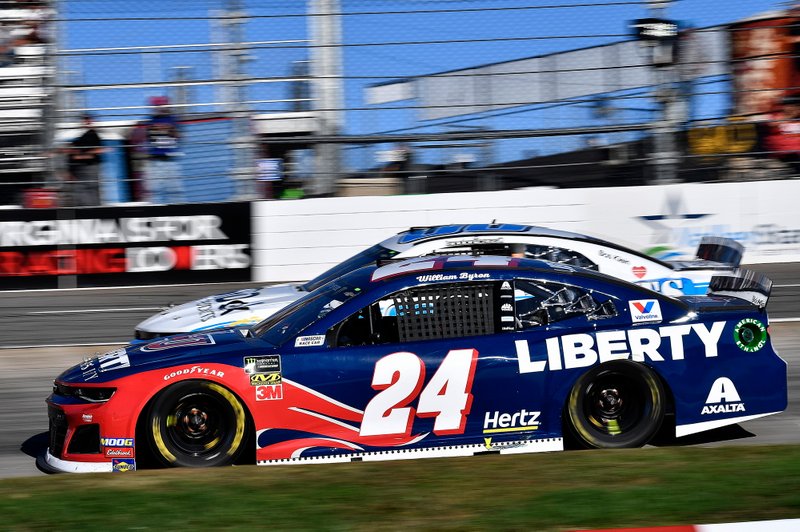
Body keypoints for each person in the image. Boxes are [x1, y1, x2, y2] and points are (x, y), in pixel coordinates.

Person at [144, 96, 183, 203]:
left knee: (174, 190)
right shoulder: (151, 120)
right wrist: (164, 130)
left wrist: (167, 130)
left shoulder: (172, 119)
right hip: (155, 159)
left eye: (160, 105)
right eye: (156, 106)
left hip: (170, 159)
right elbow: (150, 137)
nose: (157, 108)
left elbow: (178, 136)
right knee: (155, 191)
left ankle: (178, 211)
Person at [65, 114, 104, 206]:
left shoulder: (92, 134)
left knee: (88, 189)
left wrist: (78, 155)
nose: (86, 122)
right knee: (85, 190)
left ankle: (91, 210)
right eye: (85, 120)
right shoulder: (82, 135)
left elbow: (97, 151)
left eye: (88, 120)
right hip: (81, 167)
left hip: (88, 166)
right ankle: (89, 210)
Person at [762, 94, 800, 176]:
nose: (793, 108)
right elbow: (771, 125)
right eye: (789, 106)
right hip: (786, 154)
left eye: (796, 106)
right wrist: (787, 117)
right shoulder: (777, 117)